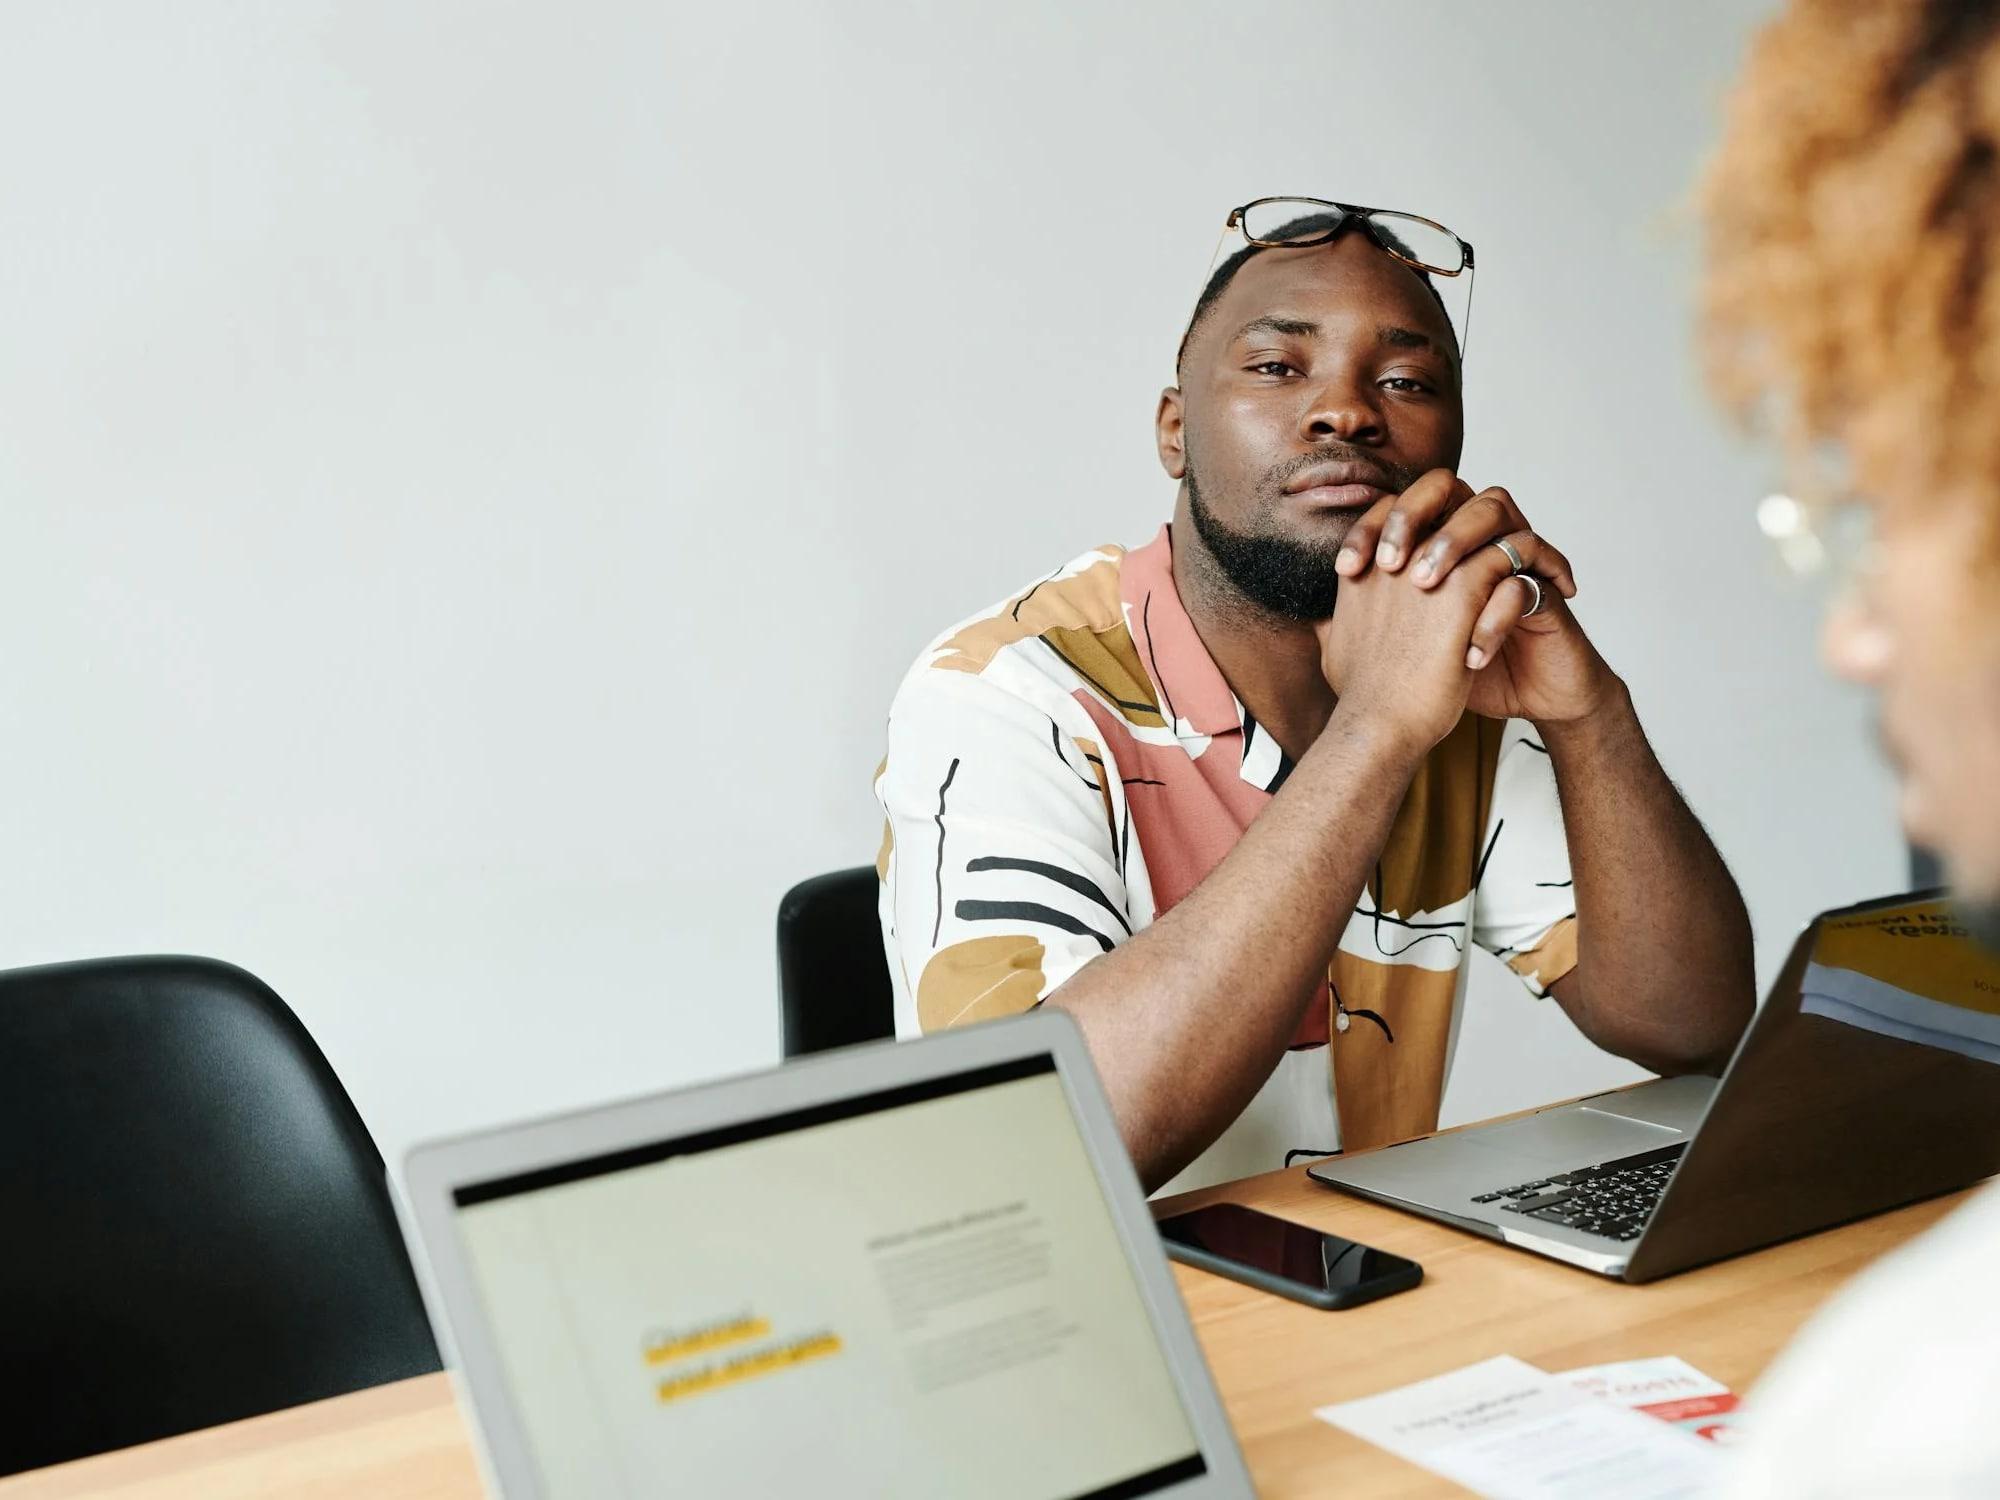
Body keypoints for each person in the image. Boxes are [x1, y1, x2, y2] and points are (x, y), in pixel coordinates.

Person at [875, 198, 1755, 1194]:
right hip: (1107, 1322)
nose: (1346, 410)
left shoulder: (1448, 692)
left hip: (1354, 1301)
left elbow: (1689, 1025)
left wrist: (1590, 713)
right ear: (1173, 431)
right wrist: (1376, 730)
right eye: (1275, 367)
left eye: (1403, 380)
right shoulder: (1009, 691)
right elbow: (1046, 1145)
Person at [1700, 2, 2000, 1492]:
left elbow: (1681, 1016)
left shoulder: (1912, 1417)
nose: (1856, 639)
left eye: (1881, 513)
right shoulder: (1009, 685)